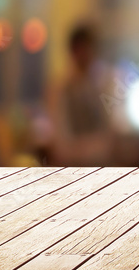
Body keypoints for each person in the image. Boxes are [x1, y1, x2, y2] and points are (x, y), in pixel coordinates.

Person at [48, 24, 117, 165]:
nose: (86, 54)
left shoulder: (102, 84)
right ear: (73, 51)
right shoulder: (61, 88)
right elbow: (62, 146)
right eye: (82, 49)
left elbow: (111, 134)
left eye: (90, 49)